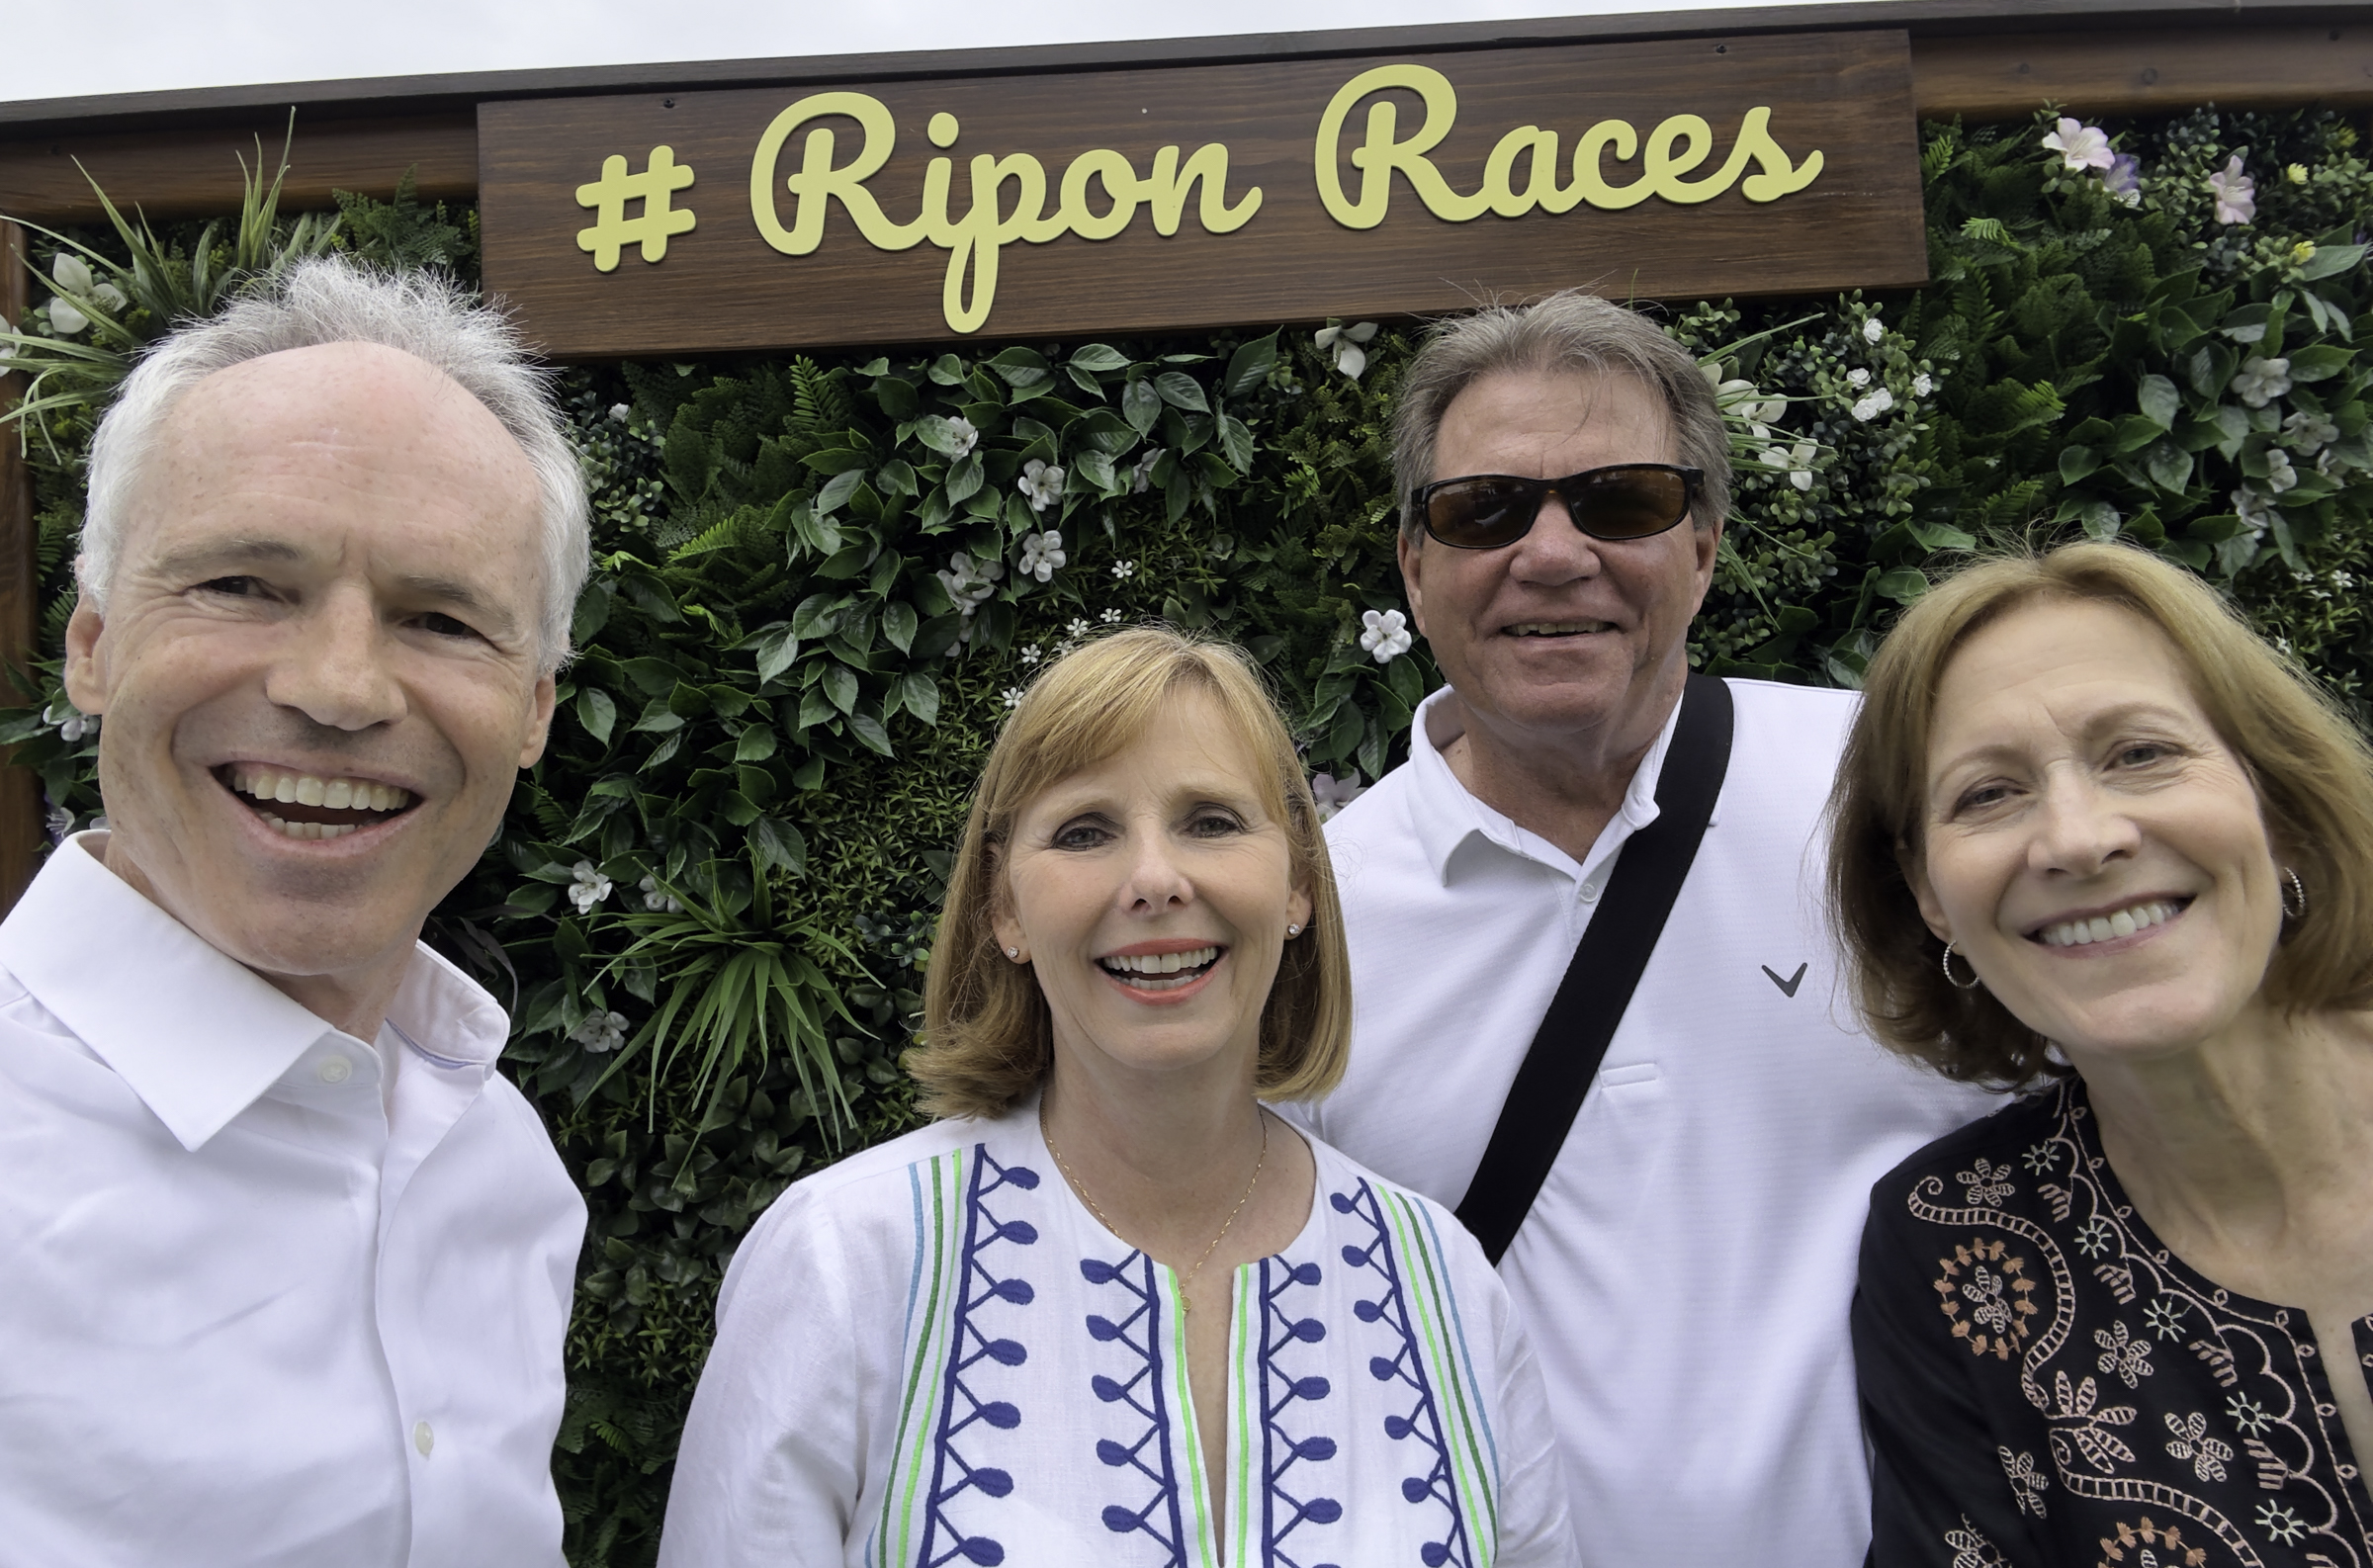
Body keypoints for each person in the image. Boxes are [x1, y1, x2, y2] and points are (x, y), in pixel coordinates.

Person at [1289, 292, 1989, 1563]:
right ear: (1414, 565)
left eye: (1620, 501)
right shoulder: (1307, 923)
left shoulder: (1896, 798)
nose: (1553, 553)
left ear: (1706, 546)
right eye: (1485, 508)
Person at [659, 627, 1575, 1567]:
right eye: (1085, 832)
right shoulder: (846, 1262)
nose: (1154, 880)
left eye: (1212, 821)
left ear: (1298, 882)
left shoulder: (1446, 1287)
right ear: (1004, 909)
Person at [0, 259, 589, 1565]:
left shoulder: (500, 1166)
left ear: (534, 712)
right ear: (91, 646)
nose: (338, 686)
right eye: (242, 585)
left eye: (439, 617)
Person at [1835, 542, 2373, 1565]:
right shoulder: (1962, 1249)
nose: (2078, 840)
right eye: (1988, 794)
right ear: (1929, 895)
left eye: (2140, 752)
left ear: (2279, 804)